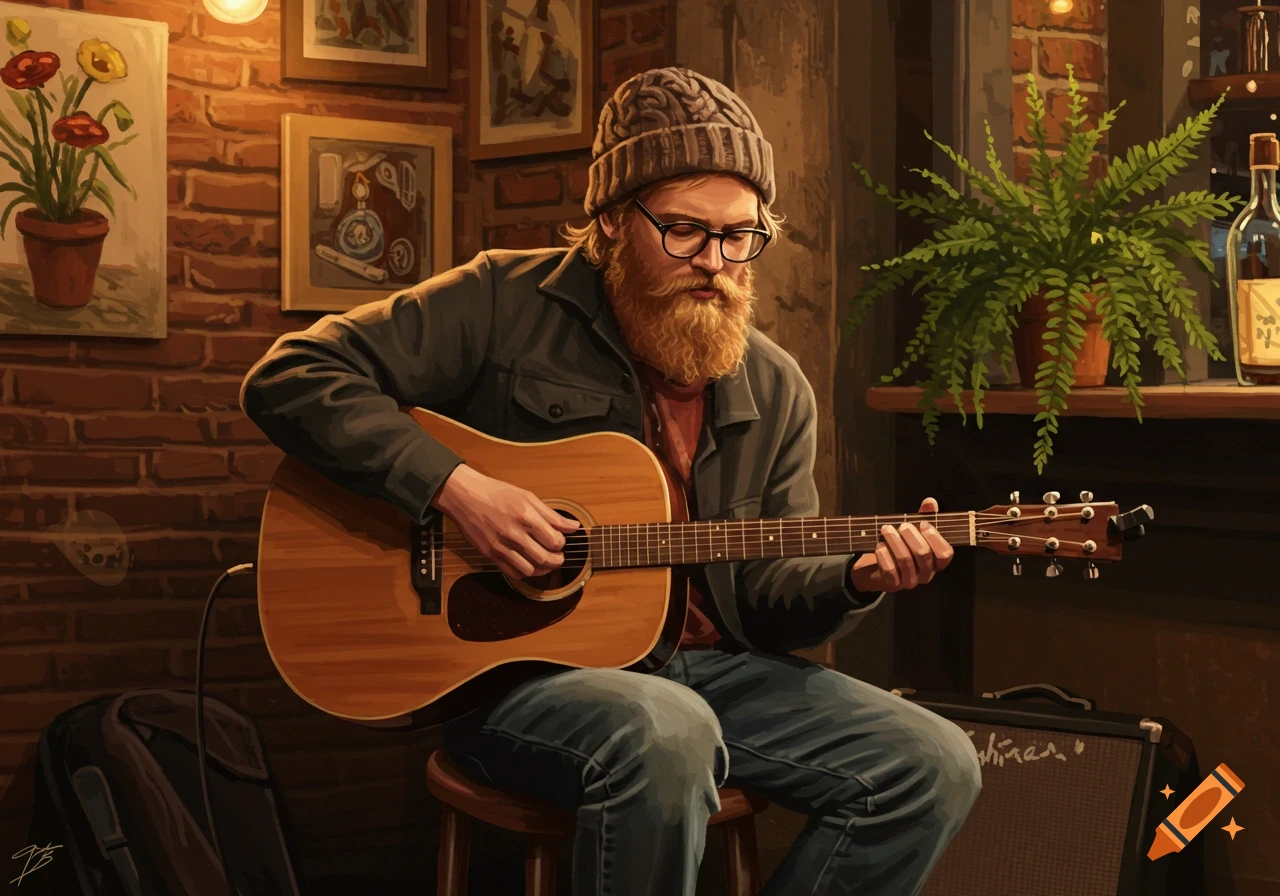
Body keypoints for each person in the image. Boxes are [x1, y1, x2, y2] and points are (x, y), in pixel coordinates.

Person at [241, 66, 981, 896]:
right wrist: (456, 488)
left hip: (713, 676)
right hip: (522, 680)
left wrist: (855, 578)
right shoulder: (501, 303)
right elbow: (294, 375)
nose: (716, 263)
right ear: (610, 222)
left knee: (932, 761)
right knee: (668, 729)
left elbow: (770, 599)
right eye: (684, 232)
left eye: (739, 237)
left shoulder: (773, 386)